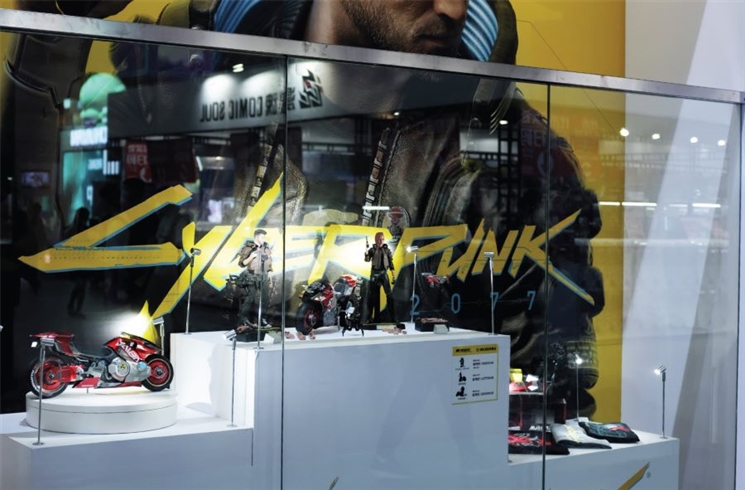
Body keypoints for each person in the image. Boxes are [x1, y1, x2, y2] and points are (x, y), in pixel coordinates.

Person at [2, 0, 603, 415]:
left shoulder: (511, 144)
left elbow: (548, 392)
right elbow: (44, 239)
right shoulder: (186, 75)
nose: (454, 8)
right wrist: (52, 28)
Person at [363, 232, 399, 329]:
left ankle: (393, 317)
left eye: (382, 239)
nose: (380, 241)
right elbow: (367, 260)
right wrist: (366, 253)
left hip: (383, 273)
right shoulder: (372, 250)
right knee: (374, 297)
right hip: (375, 273)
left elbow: (390, 263)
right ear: (375, 240)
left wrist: (393, 275)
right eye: (379, 239)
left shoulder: (386, 250)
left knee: (390, 296)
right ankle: (373, 318)